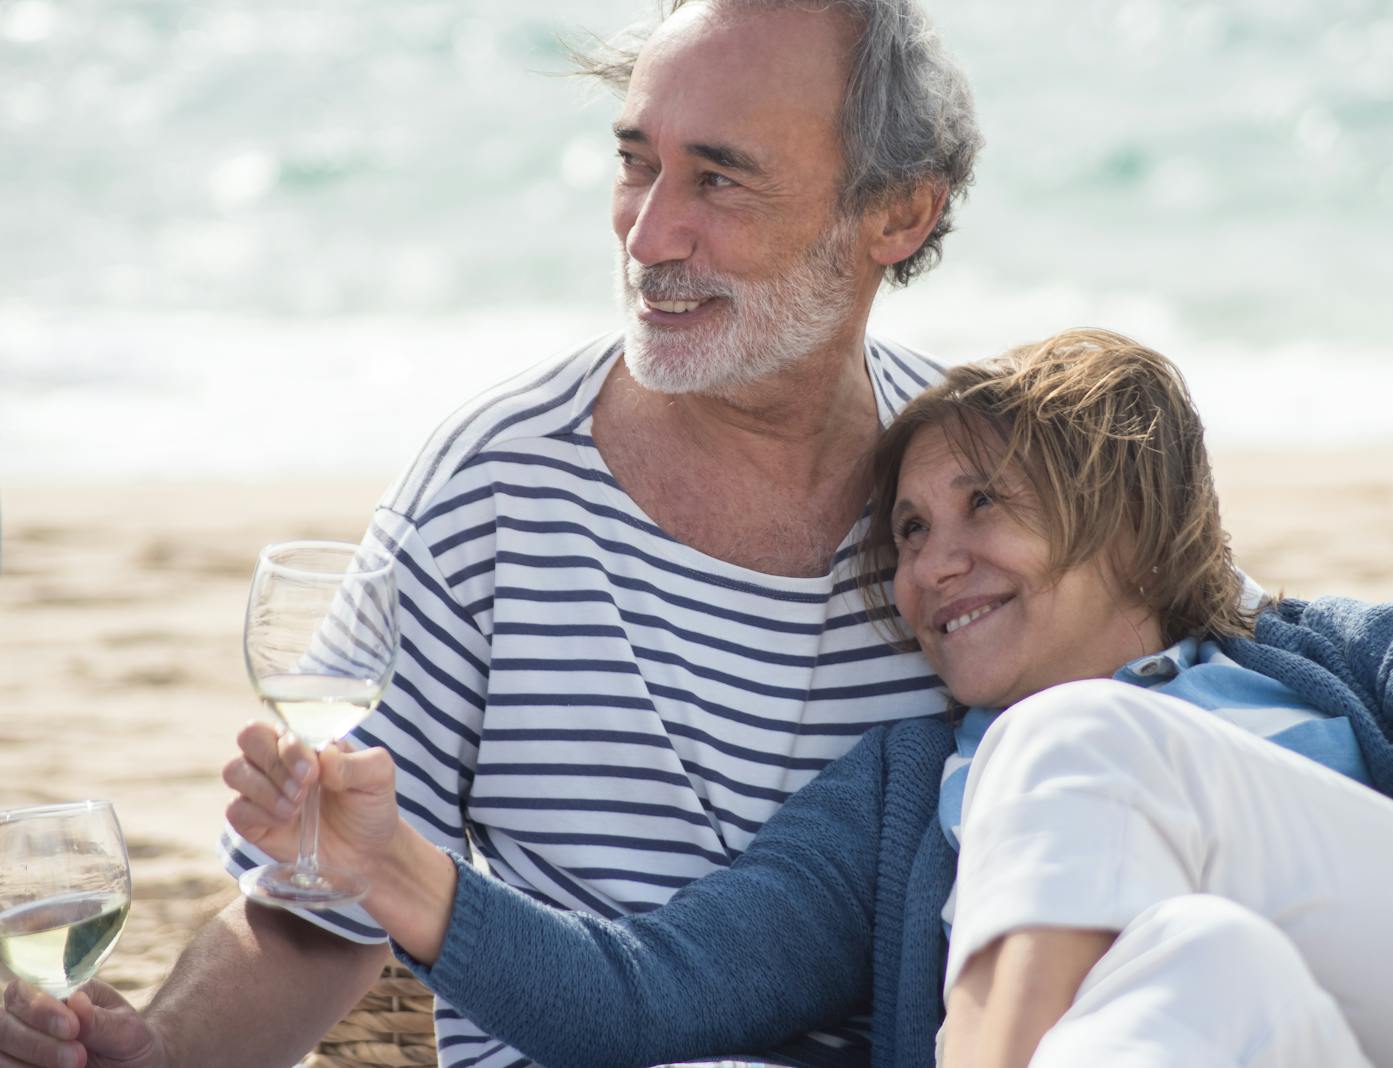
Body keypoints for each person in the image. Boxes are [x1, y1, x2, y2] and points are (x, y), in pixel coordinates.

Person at [0, 2, 981, 1067]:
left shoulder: (985, 498)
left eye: (718, 179)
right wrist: (155, 1053)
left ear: (897, 215)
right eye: (633, 163)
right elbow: (316, 908)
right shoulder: (495, 489)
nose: (647, 235)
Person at [215, 329, 1393, 1067]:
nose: (935, 566)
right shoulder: (900, 796)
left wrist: (1368, 894)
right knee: (1201, 966)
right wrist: (393, 867)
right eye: (909, 537)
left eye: (981, 506)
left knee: (1076, 743)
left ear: (1121, 516)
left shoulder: (1317, 647)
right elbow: (645, 996)